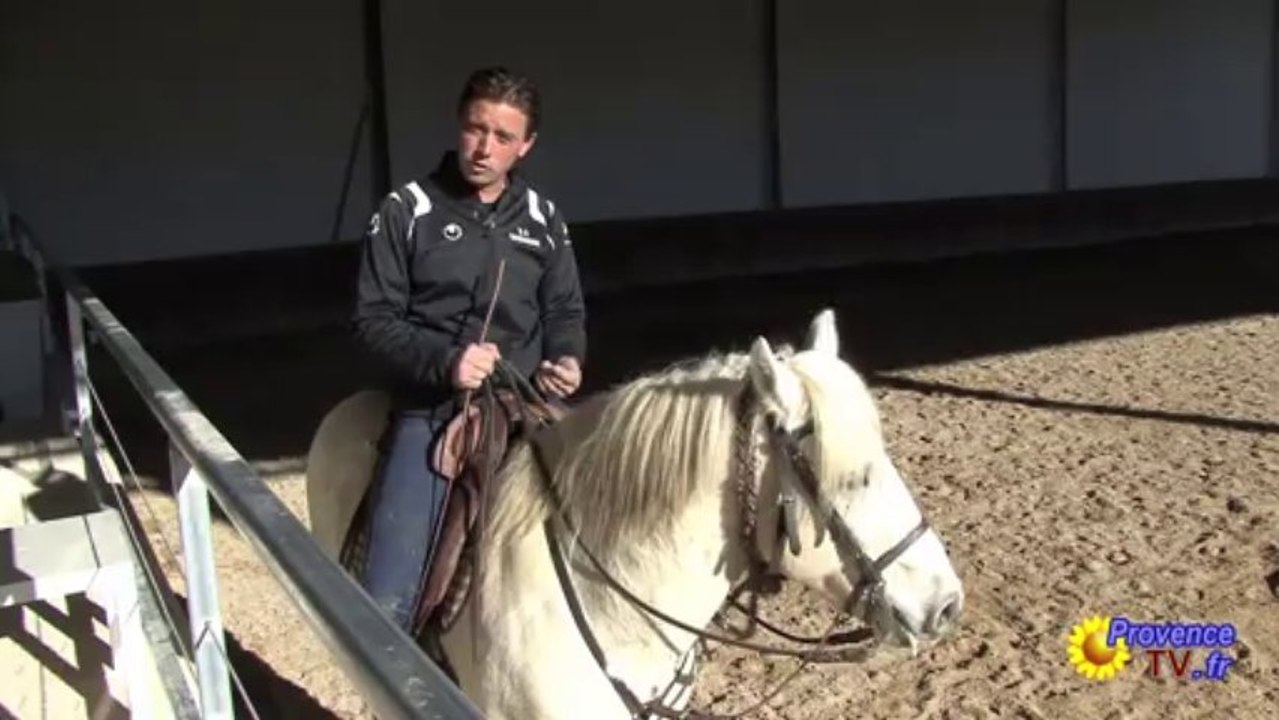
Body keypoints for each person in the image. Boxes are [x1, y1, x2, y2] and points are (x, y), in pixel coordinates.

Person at [351, 66, 587, 629]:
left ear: (525, 146)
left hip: (525, 403)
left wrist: (568, 357)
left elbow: (564, 310)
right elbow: (373, 320)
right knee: (388, 594)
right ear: (460, 127)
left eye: (503, 137)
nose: (484, 148)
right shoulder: (404, 211)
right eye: (476, 129)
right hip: (435, 411)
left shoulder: (543, 219)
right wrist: (448, 362)